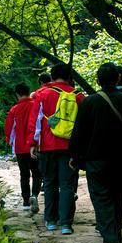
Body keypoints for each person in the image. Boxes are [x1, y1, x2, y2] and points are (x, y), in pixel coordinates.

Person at [69, 62, 122, 243]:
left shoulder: (89, 102)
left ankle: (109, 239)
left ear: (98, 81)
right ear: (118, 78)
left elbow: (79, 133)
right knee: (119, 195)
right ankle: (116, 235)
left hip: (96, 159)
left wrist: (74, 156)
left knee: (101, 198)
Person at [27, 63, 85, 234]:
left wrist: (33, 143)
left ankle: (51, 221)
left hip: (47, 145)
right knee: (67, 185)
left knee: (50, 183)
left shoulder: (41, 94)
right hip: (70, 146)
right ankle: (66, 224)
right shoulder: (78, 96)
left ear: (51, 77)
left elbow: (35, 121)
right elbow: (83, 124)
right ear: (69, 77)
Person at [5, 83, 41, 213]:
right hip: (35, 145)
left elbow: (10, 128)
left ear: (17, 94)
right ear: (28, 91)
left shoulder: (14, 109)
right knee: (37, 173)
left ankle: (26, 202)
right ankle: (34, 195)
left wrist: (9, 140)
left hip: (20, 147)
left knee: (24, 174)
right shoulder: (36, 105)